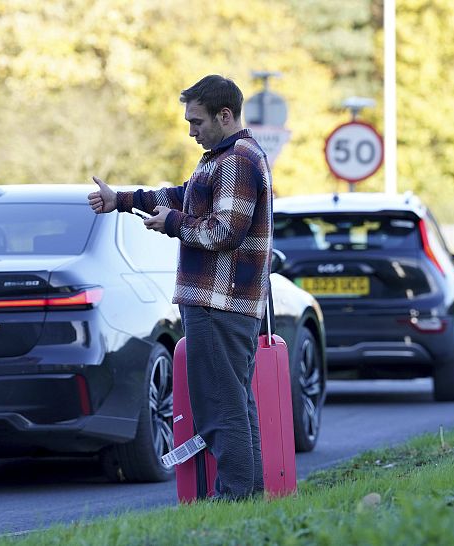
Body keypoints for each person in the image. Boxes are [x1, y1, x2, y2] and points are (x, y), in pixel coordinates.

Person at [88, 74, 273, 500]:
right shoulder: (220, 156)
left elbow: (224, 231)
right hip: (221, 302)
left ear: (224, 116)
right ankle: (248, 493)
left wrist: (170, 226)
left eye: (196, 121)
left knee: (220, 405)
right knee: (234, 402)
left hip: (218, 302)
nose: (190, 131)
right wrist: (123, 200)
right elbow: (181, 196)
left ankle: (237, 497)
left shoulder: (236, 161)